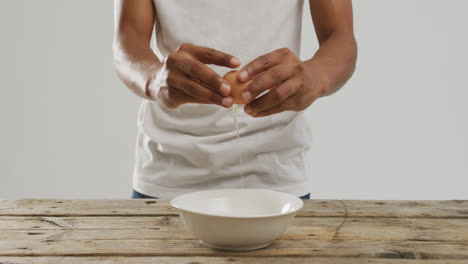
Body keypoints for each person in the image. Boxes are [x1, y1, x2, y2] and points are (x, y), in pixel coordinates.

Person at [113, 0, 357, 200]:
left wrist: (315, 76)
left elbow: (341, 37)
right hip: (167, 178)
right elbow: (128, 36)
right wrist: (154, 80)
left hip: (278, 178)